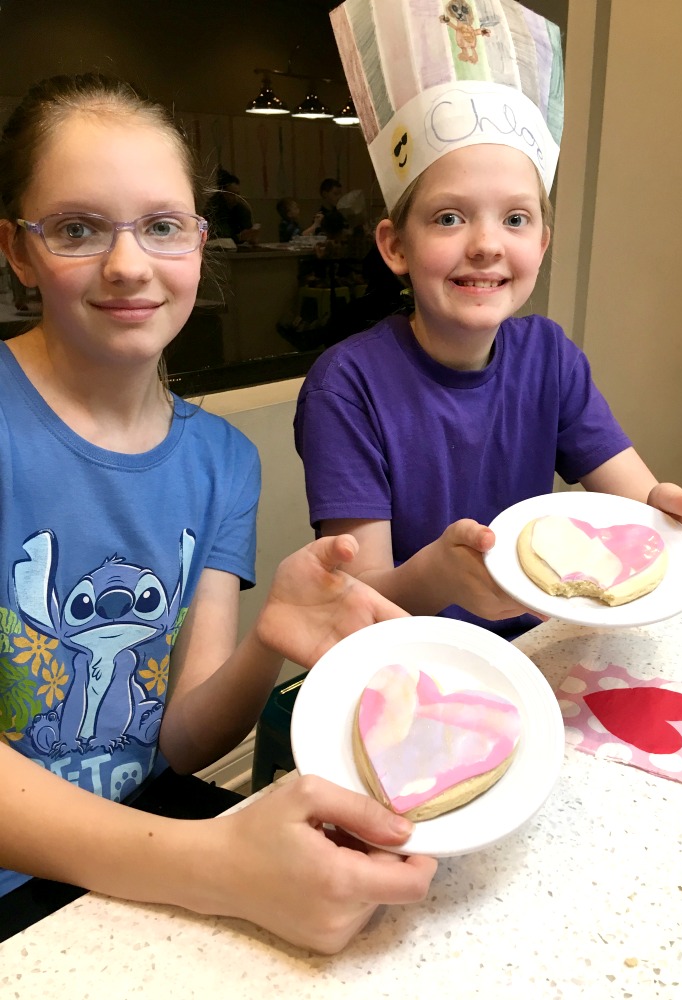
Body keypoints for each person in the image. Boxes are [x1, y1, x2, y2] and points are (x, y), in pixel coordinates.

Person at [0, 73, 436, 955]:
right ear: (17, 250)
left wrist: (269, 640)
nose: (129, 264)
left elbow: (183, 745)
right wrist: (216, 862)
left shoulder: (222, 462)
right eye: (79, 229)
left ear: (199, 243)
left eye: (161, 226)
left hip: (146, 837)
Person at [294, 0, 682, 643]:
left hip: (542, 648)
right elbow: (353, 605)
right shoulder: (347, 387)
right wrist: (438, 574)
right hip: (412, 658)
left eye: (515, 218)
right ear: (395, 246)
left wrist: (663, 514)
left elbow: (636, 500)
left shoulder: (549, 356)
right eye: (450, 217)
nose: (487, 244)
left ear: (542, 241)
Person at [203, 167, 258, 244]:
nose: (236, 198)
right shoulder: (212, 208)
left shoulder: (242, 209)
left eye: (238, 194)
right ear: (223, 193)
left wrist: (251, 237)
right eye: (232, 194)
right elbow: (219, 235)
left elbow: (247, 228)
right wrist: (238, 237)